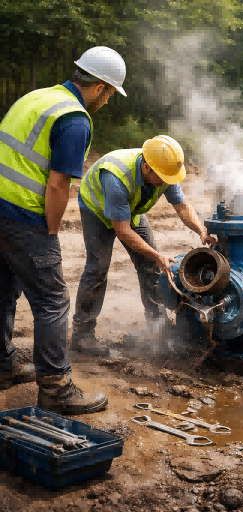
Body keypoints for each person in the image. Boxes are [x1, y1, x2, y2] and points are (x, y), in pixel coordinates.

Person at [0, 46, 127, 414]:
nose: (106, 102)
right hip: (23, 216)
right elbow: (58, 185)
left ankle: (4, 364)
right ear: (101, 87)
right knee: (53, 301)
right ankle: (55, 387)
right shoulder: (75, 120)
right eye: (109, 95)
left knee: (5, 289)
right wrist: (50, 232)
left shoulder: (37, 98)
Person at [72, 135, 217, 356]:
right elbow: (122, 230)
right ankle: (82, 336)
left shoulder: (164, 171)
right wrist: (156, 254)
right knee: (97, 269)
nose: (168, 181)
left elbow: (182, 207)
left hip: (130, 210)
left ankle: (157, 327)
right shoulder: (116, 176)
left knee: (152, 267)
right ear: (146, 167)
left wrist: (201, 231)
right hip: (97, 210)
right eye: (163, 177)